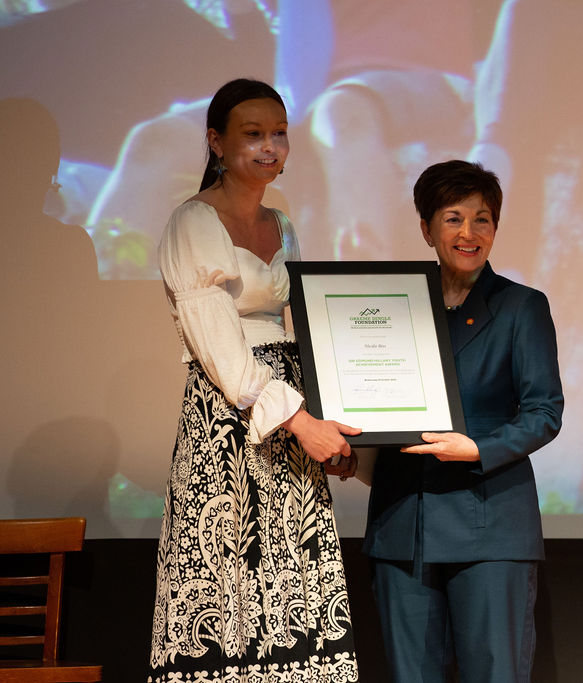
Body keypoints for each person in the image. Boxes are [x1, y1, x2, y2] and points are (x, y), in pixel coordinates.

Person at [148, 79, 360, 682]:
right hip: (228, 418)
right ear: (216, 142)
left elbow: (304, 329)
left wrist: (331, 429)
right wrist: (298, 421)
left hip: (289, 405)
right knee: (227, 584)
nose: (271, 147)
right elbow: (218, 347)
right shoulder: (193, 221)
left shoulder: (283, 222)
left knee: (296, 580)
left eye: (280, 134)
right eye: (253, 134)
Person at [362, 160, 564, 682]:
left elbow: (544, 412)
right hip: (403, 523)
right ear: (426, 228)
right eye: (453, 219)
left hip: (490, 523)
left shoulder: (522, 307)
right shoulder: (390, 306)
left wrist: (474, 449)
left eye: (483, 220)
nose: (469, 233)